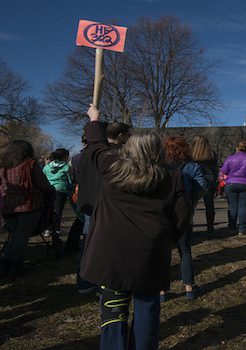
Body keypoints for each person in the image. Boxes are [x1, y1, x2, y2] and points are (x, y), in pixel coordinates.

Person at [80, 105, 191, 350]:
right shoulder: (171, 178)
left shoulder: (111, 168)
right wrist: (164, 238)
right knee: (146, 308)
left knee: (113, 310)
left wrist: (94, 120)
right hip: (149, 254)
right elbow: (182, 217)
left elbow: (96, 145)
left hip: (111, 254)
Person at [76, 121, 131, 294]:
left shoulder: (81, 156)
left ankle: (85, 281)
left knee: (88, 242)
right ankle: (96, 281)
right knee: (103, 245)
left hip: (89, 204)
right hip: (105, 206)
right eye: (127, 135)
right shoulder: (113, 155)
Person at [163, 136, 209, 300]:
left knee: (163, 252)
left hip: (163, 214)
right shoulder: (193, 166)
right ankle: (189, 288)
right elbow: (203, 187)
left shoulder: (160, 166)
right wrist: (191, 199)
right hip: (184, 213)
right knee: (185, 250)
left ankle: (162, 291)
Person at [0, 141, 54, 279]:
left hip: (8, 206)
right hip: (28, 205)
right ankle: (16, 266)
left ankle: (5, 263)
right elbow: (44, 185)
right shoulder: (30, 164)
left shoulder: (3, 166)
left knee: (13, 235)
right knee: (21, 236)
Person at [220, 140, 246, 235]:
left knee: (232, 206)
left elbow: (223, 171)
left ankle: (232, 228)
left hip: (231, 183)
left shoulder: (230, 158)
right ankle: (242, 229)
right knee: (243, 207)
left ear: (237, 148)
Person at [42, 148, 71, 256]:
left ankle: (48, 228)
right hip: (60, 191)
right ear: (64, 157)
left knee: (50, 211)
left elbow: (43, 177)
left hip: (49, 191)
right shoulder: (66, 166)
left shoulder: (47, 167)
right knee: (58, 214)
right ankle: (56, 237)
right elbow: (70, 179)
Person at [190, 135, 219, 234]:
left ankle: (189, 225)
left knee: (191, 205)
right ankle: (210, 227)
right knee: (209, 205)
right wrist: (215, 180)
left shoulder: (190, 154)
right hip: (208, 180)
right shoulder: (211, 154)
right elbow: (215, 169)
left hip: (194, 180)